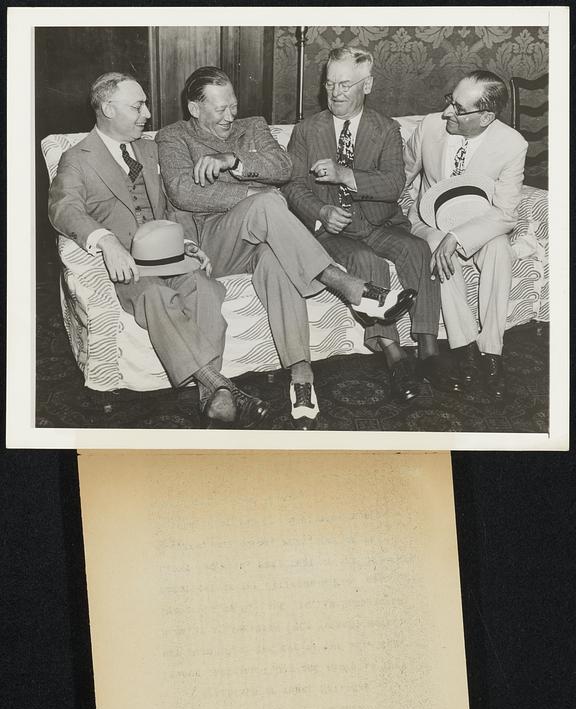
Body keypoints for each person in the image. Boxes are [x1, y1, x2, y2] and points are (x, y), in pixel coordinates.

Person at [156, 66, 415, 430]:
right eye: (220, 109)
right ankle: (346, 285)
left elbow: (284, 168)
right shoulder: (173, 137)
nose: (231, 116)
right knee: (267, 204)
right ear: (195, 109)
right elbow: (183, 192)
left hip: (261, 238)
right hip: (212, 242)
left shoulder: (253, 127)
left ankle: (301, 377)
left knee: (277, 259)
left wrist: (235, 161)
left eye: (233, 106)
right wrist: (252, 192)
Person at [48, 72, 269, 429]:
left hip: (170, 254)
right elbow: (63, 209)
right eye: (137, 107)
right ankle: (220, 387)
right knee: (155, 297)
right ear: (107, 108)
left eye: (145, 105)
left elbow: (171, 205)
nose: (147, 114)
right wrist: (105, 241)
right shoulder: (77, 158)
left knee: (206, 289)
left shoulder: (150, 150)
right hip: (129, 266)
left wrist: (186, 240)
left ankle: (214, 400)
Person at [283, 46, 459, 402]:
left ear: (368, 85)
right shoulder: (306, 131)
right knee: (366, 262)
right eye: (330, 84)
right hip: (335, 230)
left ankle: (427, 349)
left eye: (346, 84)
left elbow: (394, 183)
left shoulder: (385, 129)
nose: (335, 93)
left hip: (381, 222)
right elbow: (292, 186)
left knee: (417, 248)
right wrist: (321, 211)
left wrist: (345, 174)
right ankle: (394, 355)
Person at [404, 70, 528, 399]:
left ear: (486, 116)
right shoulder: (430, 126)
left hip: (480, 223)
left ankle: (491, 353)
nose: (447, 112)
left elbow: (504, 214)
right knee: (437, 249)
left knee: (500, 248)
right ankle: (466, 349)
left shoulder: (512, 145)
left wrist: (459, 237)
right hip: (428, 221)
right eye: (450, 101)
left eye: (459, 109)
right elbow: (402, 174)